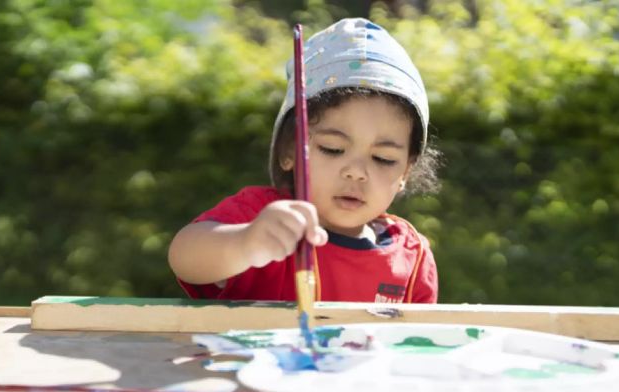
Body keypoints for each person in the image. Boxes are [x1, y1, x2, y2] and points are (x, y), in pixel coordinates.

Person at [168, 18, 441, 303]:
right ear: (289, 151)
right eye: (333, 148)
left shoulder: (413, 258)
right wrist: (246, 243)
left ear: (406, 172)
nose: (356, 172)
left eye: (383, 159)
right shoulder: (263, 218)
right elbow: (184, 256)